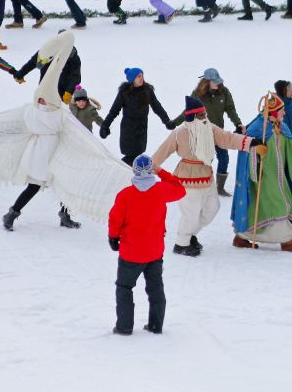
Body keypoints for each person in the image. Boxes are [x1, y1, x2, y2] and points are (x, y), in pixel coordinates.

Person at [0, 32, 130, 230]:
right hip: (42, 150)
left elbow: (71, 75)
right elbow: (7, 120)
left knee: (63, 179)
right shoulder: (38, 111)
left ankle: (62, 214)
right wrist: (23, 72)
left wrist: (68, 93)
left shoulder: (56, 109)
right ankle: (13, 212)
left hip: (55, 145)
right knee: (36, 184)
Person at [153, 96, 256, 256]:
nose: (205, 118)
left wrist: (250, 142)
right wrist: (148, 166)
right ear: (192, 117)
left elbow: (227, 138)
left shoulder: (210, 128)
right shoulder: (180, 133)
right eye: (200, 115)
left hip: (206, 176)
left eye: (204, 114)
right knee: (191, 213)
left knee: (212, 208)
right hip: (186, 179)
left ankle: (190, 234)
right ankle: (182, 243)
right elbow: (163, 150)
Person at [230, 92, 292, 252]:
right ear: (273, 112)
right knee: (279, 204)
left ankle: (242, 237)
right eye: (281, 110)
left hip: (279, 175)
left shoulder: (281, 127)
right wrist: (256, 151)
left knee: (280, 203)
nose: (284, 113)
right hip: (263, 176)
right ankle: (286, 241)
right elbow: (245, 149)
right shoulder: (258, 128)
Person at [108, 155, 185, 335]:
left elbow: (115, 218)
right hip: (154, 251)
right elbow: (180, 189)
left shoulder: (125, 194)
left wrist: (113, 237)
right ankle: (155, 325)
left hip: (131, 252)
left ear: (133, 171)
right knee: (155, 288)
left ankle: (125, 326)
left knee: (125, 287)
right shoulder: (161, 190)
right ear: (151, 171)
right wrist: (161, 171)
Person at [169, 67, 244, 196]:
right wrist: (174, 122)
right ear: (207, 81)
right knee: (203, 160)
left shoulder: (224, 92)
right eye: (215, 81)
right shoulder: (197, 94)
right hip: (202, 134)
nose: (218, 84)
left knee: (224, 158)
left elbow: (230, 109)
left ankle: (220, 188)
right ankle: (198, 184)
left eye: (219, 81)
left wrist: (238, 123)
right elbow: (188, 111)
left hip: (218, 133)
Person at [101, 67, 173, 165]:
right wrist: (105, 125)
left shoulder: (147, 90)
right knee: (131, 157)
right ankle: (118, 172)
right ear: (132, 79)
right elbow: (114, 110)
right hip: (128, 128)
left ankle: (128, 176)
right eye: (139, 76)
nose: (141, 78)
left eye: (142, 75)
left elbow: (157, 106)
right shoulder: (124, 92)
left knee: (138, 155)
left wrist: (166, 121)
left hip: (142, 128)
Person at [14, 30, 83, 104]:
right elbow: (33, 62)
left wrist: (69, 92)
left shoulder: (73, 58)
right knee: (42, 109)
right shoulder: (48, 50)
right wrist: (20, 74)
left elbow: (75, 77)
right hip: (44, 86)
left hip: (61, 91)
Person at [273, 80, 292, 145]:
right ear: (284, 92)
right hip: (280, 140)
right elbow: (262, 117)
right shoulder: (274, 105)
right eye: (290, 91)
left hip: (291, 136)